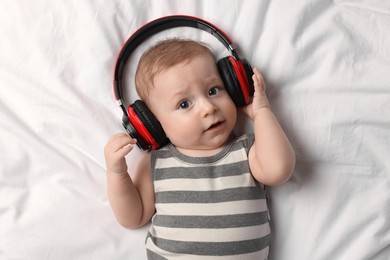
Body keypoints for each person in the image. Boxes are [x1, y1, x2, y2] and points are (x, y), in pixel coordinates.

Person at [104, 39, 295, 259]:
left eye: (214, 90)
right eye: (184, 104)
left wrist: (261, 112)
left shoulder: (247, 150)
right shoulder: (156, 163)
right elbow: (133, 217)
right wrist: (117, 174)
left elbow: (279, 169)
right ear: (153, 125)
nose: (208, 107)